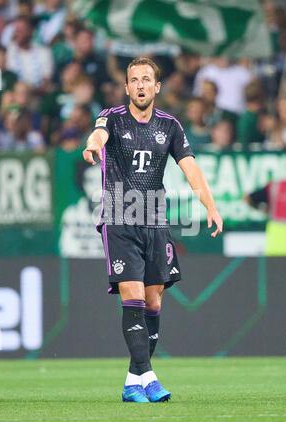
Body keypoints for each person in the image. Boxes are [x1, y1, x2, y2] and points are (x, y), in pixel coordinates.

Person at [83, 57, 223, 403]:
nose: (141, 85)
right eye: (135, 80)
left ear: (157, 87)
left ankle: (133, 382)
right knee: (132, 296)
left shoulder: (171, 126)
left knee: (153, 300)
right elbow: (98, 133)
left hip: (155, 221)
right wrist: (92, 146)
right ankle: (150, 376)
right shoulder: (111, 118)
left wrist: (211, 205)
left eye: (147, 79)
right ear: (127, 86)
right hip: (118, 218)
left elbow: (190, 168)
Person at [245, 155, 286, 255]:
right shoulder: (275, 186)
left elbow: (248, 198)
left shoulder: (275, 186)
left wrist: (262, 209)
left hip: (275, 246)